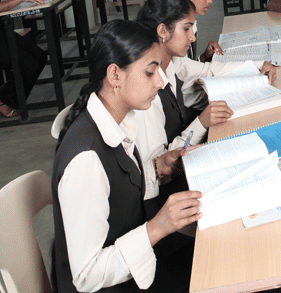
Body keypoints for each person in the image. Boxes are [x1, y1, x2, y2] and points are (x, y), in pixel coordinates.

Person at [52, 20, 202, 293]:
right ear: (115, 75)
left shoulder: (117, 118)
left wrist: (155, 168)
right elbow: (86, 275)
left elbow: (117, 186)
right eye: (150, 72)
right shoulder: (85, 160)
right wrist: (157, 228)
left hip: (135, 260)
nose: (161, 81)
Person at [135, 0, 277, 211]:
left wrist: (259, 66)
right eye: (186, 28)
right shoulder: (146, 94)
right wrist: (201, 123)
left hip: (187, 168)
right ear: (162, 31)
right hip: (167, 197)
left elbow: (209, 70)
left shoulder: (171, 63)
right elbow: (161, 166)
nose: (192, 37)